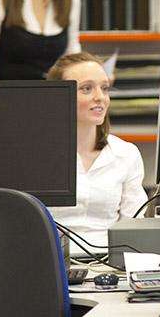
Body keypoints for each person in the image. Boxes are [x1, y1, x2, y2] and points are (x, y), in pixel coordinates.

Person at [46, 52, 148, 249]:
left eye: (104, 88)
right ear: (58, 96)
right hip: (52, 261)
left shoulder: (126, 154)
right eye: (87, 89)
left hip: (110, 260)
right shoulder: (35, 155)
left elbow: (135, 225)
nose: (100, 97)